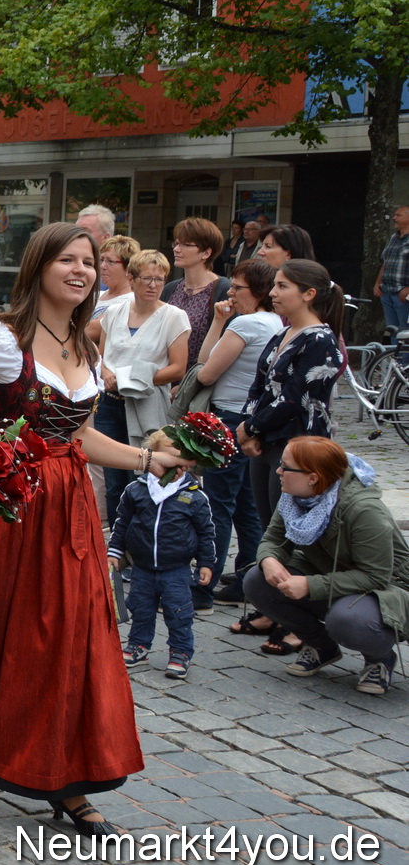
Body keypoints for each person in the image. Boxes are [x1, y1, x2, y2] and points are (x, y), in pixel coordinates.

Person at [0, 221, 194, 837]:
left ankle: (65, 778)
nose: (81, 271)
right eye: (67, 260)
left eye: (90, 262)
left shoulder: (86, 344)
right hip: (4, 503)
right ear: (38, 267)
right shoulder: (1, 337)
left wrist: (146, 459)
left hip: (68, 507)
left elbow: (76, 435)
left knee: (67, 635)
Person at [242, 437, 409, 695]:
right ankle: (322, 647)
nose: (278, 471)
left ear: (312, 477)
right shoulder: (295, 496)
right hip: (332, 573)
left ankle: (380, 658)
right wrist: (269, 560)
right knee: (257, 580)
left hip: (387, 588)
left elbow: (376, 576)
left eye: (286, 467)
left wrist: (310, 585)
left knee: (346, 619)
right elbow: (273, 538)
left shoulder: (364, 509)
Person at [236, 259, 346, 531]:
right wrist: (249, 429)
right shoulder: (284, 332)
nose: (273, 293)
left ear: (309, 294)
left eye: (282, 286)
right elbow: (259, 385)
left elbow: (294, 399)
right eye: (274, 285)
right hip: (265, 441)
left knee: (285, 529)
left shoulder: (320, 340)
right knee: (268, 527)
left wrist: (250, 428)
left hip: (296, 446)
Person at [192, 259, 276, 610]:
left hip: (228, 418)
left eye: (238, 287)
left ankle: (202, 588)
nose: (231, 291)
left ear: (255, 291)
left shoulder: (247, 323)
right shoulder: (274, 322)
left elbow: (205, 369)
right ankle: (246, 579)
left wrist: (220, 322)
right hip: (252, 420)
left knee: (218, 506)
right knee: (247, 506)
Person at [90, 250, 190, 523]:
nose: (153, 285)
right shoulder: (114, 312)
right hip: (110, 403)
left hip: (147, 403)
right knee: (113, 480)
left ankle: (145, 539)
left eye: (160, 279)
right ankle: (116, 545)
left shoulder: (174, 316)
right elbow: (102, 356)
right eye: (147, 278)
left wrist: (126, 379)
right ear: (131, 279)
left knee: (145, 475)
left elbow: (178, 368)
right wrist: (107, 373)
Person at [109, 466, 216, 680]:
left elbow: (206, 532)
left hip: (176, 569)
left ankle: (180, 650)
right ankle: (138, 645)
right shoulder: (136, 490)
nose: (172, 470)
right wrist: (115, 551)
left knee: (178, 612)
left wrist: (206, 563)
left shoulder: (194, 495)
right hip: (141, 566)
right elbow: (122, 523)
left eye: (178, 465)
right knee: (141, 609)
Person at [164, 217, 230, 358]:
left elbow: (227, 342)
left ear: (206, 253)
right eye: (176, 244)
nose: (176, 249)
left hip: (200, 374)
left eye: (186, 245)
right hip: (165, 374)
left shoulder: (224, 290)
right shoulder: (170, 289)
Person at [373, 206, 409, 337]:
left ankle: (403, 357)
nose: (394, 218)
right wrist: (377, 283)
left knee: (405, 333)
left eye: (398, 215)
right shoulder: (393, 237)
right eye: (394, 215)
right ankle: (394, 356)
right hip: (387, 291)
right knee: (392, 330)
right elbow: (385, 263)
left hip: (403, 295)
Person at [93, 235, 138, 320]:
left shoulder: (130, 302)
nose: (103, 266)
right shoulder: (95, 295)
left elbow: (92, 330)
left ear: (128, 267)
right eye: (101, 260)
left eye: (111, 261)